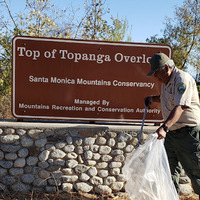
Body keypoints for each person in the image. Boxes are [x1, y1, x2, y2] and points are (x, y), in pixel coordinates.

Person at [145, 52, 200, 198]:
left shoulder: (182, 79)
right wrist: (152, 98)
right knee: (168, 173)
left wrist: (164, 127)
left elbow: (180, 106)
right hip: (171, 134)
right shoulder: (166, 81)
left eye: (157, 73)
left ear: (167, 67)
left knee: (196, 172)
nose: (156, 77)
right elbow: (166, 98)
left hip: (188, 133)